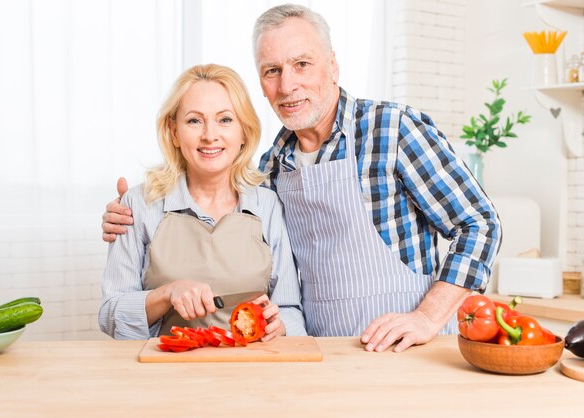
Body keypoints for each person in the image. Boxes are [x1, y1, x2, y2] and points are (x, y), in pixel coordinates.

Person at [102, 4, 502, 352]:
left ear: (333, 65)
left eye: (302, 64)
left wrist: (427, 319)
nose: (287, 85)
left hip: (410, 349)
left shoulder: (392, 130)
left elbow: (480, 224)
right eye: (272, 70)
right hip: (322, 355)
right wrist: (127, 216)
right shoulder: (273, 165)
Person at [99, 63, 306, 340]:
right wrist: (167, 294)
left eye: (225, 120)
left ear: (243, 132)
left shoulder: (268, 204)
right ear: (174, 132)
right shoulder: (138, 205)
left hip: (253, 372)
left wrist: (276, 325)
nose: (210, 135)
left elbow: (291, 310)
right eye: (194, 120)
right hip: (165, 375)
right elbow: (110, 314)